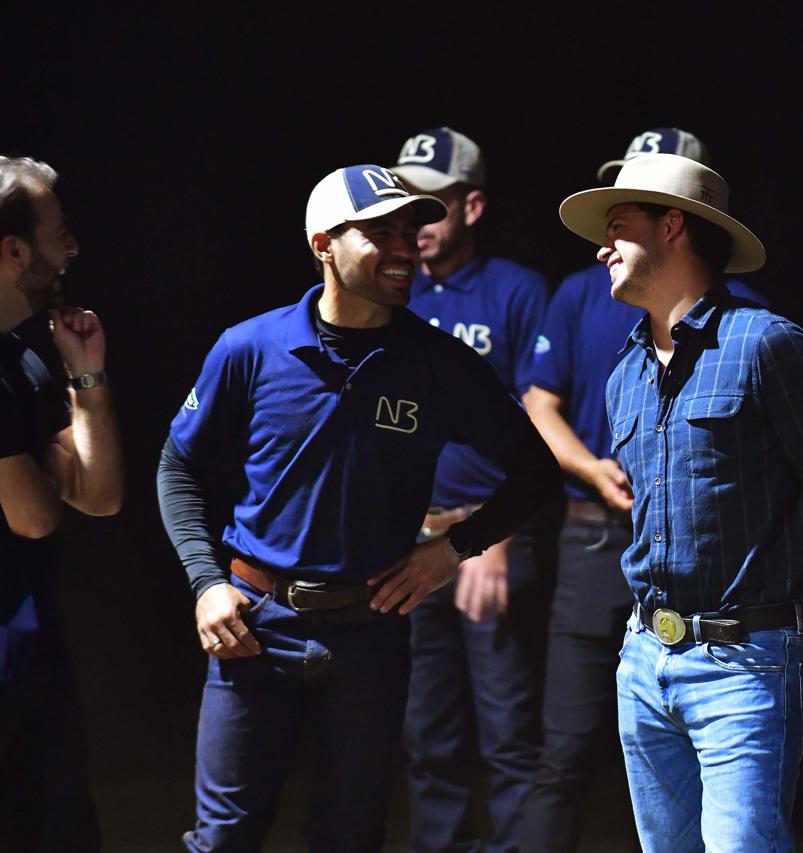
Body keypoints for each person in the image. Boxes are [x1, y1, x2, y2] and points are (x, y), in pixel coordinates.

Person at [156, 163, 561, 852]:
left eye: (409, 232)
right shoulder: (250, 348)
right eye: (380, 234)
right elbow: (178, 466)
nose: (405, 248)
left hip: (370, 633)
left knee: (350, 836)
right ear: (323, 245)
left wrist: (453, 549)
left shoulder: (438, 363)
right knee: (224, 838)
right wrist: (204, 583)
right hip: (255, 624)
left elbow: (536, 473)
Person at [558, 152, 803, 852]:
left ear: (673, 226)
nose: (603, 248)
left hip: (747, 663)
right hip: (644, 662)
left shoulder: (768, 346)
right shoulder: (624, 376)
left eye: (619, 226)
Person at [518, 126, 769, 853]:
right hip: (594, 537)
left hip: (709, 563)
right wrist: (589, 467)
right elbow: (538, 401)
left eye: (633, 207)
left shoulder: (752, 325)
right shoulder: (584, 293)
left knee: (704, 753)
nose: (610, 235)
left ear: (679, 218)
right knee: (565, 745)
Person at [391, 127, 552, 852]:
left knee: (508, 735)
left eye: (433, 203)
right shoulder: (391, 289)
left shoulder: (515, 290)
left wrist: (496, 537)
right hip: (405, 544)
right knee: (427, 736)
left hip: (488, 541)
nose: (416, 220)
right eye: (407, 203)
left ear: (472, 206)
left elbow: (539, 425)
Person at [0, 155, 123, 852]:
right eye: (58, 233)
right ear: (14, 251)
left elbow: (99, 496)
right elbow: (36, 516)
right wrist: (48, 472)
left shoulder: (29, 356)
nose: (72, 247)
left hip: (30, 657)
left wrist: (89, 379)